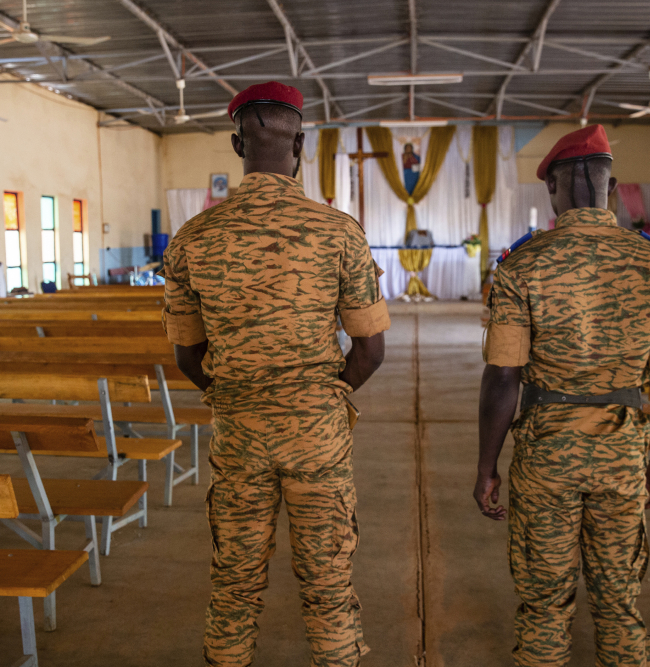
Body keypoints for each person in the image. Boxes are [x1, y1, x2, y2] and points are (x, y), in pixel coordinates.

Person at [161, 81, 390, 667]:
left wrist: (235, 395)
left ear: (238, 145)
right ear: (302, 145)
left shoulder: (193, 238)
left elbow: (188, 356)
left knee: (233, 581)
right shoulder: (339, 231)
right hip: (317, 431)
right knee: (328, 582)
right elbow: (370, 349)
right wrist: (323, 396)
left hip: (238, 431)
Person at [473, 125, 650, 667]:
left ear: (552, 186)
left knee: (544, 599)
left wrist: (487, 467)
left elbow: (503, 376)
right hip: (622, 454)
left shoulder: (521, 265)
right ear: (612, 184)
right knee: (619, 597)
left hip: (546, 454)